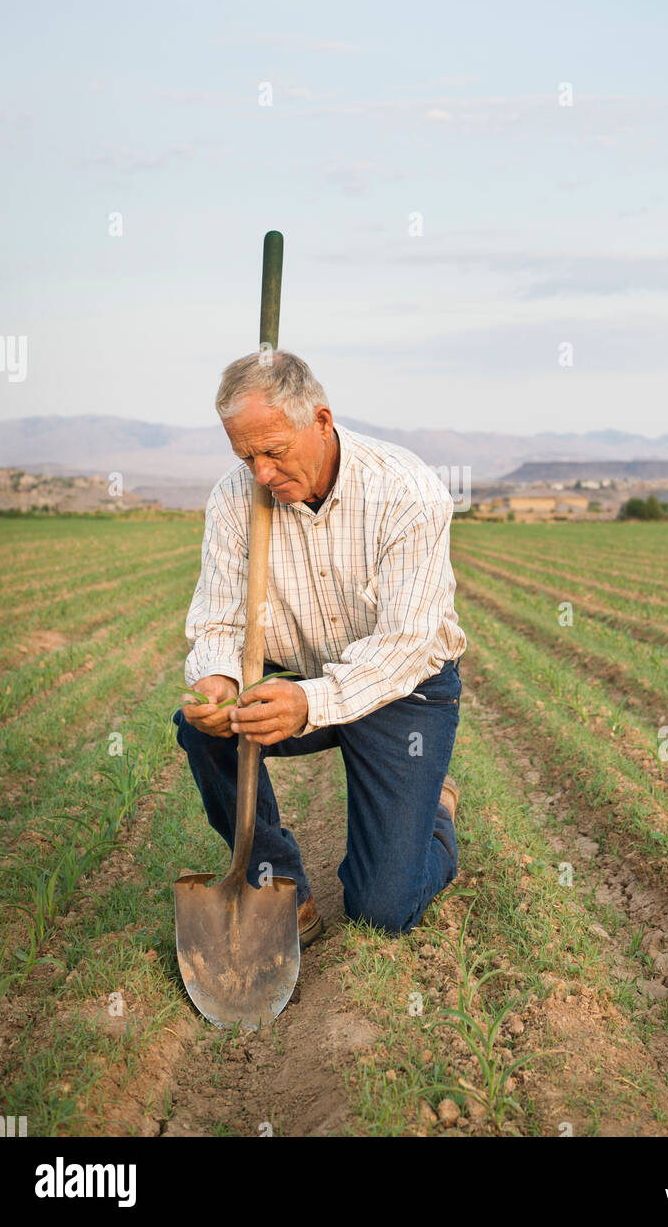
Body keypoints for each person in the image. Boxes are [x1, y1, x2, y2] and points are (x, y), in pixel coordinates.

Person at [172, 349, 467, 947]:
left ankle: (435, 818)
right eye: (244, 455)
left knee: (384, 911)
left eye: (273, 452)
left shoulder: (408, 491)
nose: (259, 473)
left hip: (401, 689)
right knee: (201, 727)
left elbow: (406, 644)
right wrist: (221, 682)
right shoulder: (235, 499)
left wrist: (309, 703)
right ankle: (281, 885)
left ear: (322, 422)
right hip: (296, 673)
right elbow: (219, 623)